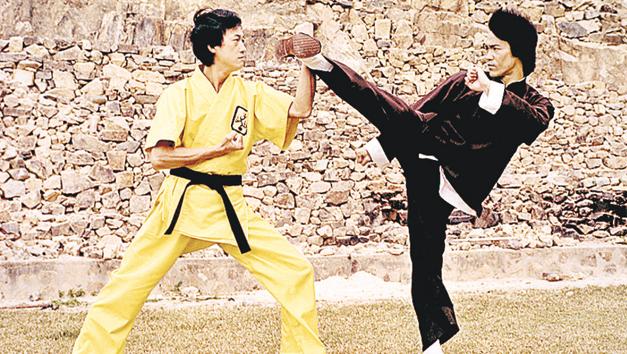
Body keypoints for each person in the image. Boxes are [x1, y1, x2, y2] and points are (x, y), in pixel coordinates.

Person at [277, 8, 553, 353]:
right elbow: (419, 110)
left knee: (427, 257)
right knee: (423, 259)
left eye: (496, 48)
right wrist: (383, 145)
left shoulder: (534, 103)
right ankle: (432, 345)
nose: (487, 55)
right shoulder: (465, 80)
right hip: (426, 163)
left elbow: (532, 123)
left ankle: (322, 63)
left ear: (518, 53)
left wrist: (489, 92)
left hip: (460, 180)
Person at [73, 9, 325, 354]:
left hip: (229, 206)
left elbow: (299, 110)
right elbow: (160, 157)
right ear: (212, 47)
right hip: (181, 205)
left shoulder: (249, 93)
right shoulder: (179, 95)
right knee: (125, 287)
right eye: (236, 40)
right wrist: (213, 151)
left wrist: (307, 63)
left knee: (295, 271)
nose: (244, 47)